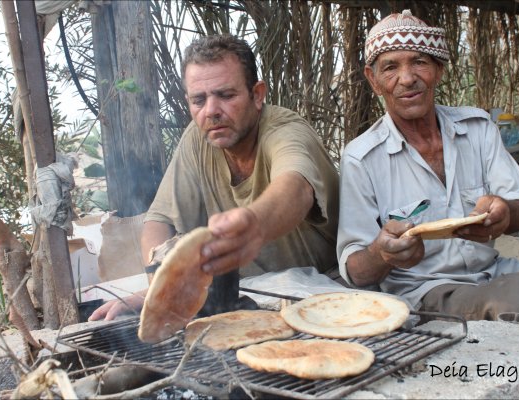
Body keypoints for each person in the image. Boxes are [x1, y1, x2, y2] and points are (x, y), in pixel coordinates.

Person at [90, 34, 339, 321]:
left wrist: (253, 225)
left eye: (226, 95)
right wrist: (160, 291)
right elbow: (159, 221)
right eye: (199, 100)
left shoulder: (285, 130)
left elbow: (295, 189)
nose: (211, 111)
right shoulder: (198, 139)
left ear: (257, 95)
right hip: (246, 304)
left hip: (324, 298)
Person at [337, 10, 519, 321]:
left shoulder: (478, 129)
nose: (407, 78)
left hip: (496, 271)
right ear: (374, 80)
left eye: (419, 62)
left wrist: (505, 213)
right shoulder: (361, 158)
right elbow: (357, 271)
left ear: (438, 70)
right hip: (428, 290)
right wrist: (382, 253)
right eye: (390, 67)